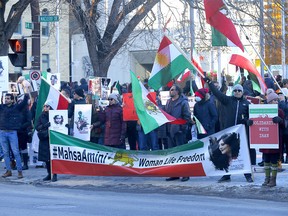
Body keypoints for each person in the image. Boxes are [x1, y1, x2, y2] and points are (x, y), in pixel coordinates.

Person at [205, 77, 254, 183]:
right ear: (233, 92)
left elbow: (251, 117)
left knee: (243, 154)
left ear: (242, 92)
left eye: (239, 90)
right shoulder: (228, 100)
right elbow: (217, 93)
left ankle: (248, 175)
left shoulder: (246, 104)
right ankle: (226, 175)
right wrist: (210, 83)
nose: (237, 92)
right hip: (229, 132)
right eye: (235, 90)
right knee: (226, 154)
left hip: (241, 134)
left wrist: (247, 121)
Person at [248, 92, 284, 187]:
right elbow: (256, 121)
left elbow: (284, 125)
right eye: (274, 100)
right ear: (269, 101)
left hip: (275, 140)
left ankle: (273, 180)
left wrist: (280, 121)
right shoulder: (263, 110)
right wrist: (251, 122)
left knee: (274, 160)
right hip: (265, 140)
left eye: (277, 100)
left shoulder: (279, 111)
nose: (276, 102)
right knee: (266, 160)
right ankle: (267, 178)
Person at [164, 84, 191, 182]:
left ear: (177, 91)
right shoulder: (168, 102)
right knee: (173, 154)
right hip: (170, 130)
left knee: (182, 154)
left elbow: (187, 116)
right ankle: (174, 174)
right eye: (170, 90)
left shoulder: (183, 102)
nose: (170, 91)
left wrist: (181, 128)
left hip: (179, 132)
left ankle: (185, 174)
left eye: (172, 90)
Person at [0, 93, 29, 178]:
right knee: (5, 153)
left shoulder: (16, 107)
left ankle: (20, 171)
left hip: (12, 132)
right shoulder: (2, 107)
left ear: (12, 100)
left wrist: (26, 95)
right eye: (6, 98)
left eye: (8, 98)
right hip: (2, 132)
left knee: (16, 152)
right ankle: (8, 171)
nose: (6, 100)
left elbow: (24, 103)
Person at [36, 99, 57, 182]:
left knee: (54, 157)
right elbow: (37, 127)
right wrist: (45, 125)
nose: (45, 107)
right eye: (44, 106)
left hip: (53, 138)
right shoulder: (42, 116)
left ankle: (54, 174)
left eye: (47, 106)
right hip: (45, 138)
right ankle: (49, 173)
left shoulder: (55, 115)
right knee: (47, 158)